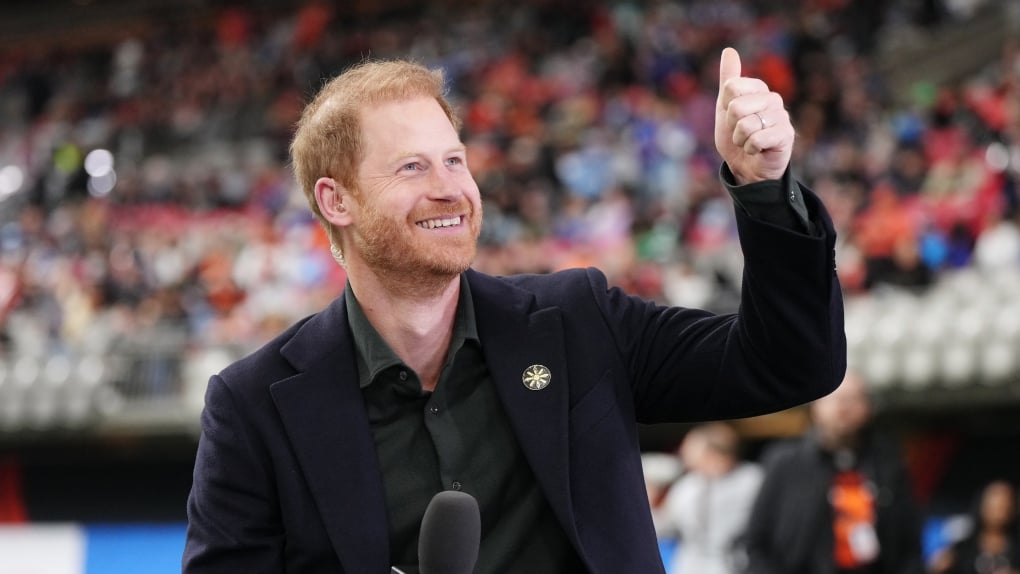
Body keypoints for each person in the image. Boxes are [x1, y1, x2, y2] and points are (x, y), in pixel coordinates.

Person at [183, 47, 847, 574]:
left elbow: (789, 366)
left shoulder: (578, 323)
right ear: (337, 201)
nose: (450, 190)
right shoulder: (255, 406)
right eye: (412, 167)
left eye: (455, 161)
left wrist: (764, 191)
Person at [743, 370, 923, 574]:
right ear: (815, 406)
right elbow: (756, 542)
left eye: (853, 399)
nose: (843, 407)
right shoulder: (786, 462)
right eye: (834, 398)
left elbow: (910, 543)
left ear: (869, 408)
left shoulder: (887, 463)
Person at [657, 422, 763, 574]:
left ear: (714, 452)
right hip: (690, 567)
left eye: (691, 447)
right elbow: (667, 525)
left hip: (734, 566)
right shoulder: (687, 486)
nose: (683, 452)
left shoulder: (753, 481)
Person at [930, 480, 1020, 574]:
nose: (998, 512)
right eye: (994, 506)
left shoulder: (1017, 548)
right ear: (981, 506)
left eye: (1004, 506)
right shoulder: (963, 550)